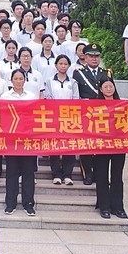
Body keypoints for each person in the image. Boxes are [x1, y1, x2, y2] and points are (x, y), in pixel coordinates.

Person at [1, 69, 38, 215]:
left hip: (28, 140)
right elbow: (2, 116)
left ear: (24, 80)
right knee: (12, 172)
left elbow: (35, 115)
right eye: (15, 79)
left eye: (21, 78)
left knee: (28, 173)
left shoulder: (31, 96)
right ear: (11, 81)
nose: (18, 81)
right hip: (12, 140)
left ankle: (28, 203)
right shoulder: (5, 96)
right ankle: (10, 203)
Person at [73, 43, 107, 185]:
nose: (94, 59)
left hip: (102, 115)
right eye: (91, 56)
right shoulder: (78, 73)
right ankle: (87, 173)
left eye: (96, 56)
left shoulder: (106, 73)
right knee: (86, 145)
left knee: (100, 145)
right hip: (85, 114)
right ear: (85, 57)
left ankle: (99, 174)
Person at [94, 77, 127, 219]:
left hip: (119, 144)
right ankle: (104, 206)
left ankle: (117, 207)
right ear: (100, 89)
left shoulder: (122, 104)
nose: (108, 89)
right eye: (105, 87)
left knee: (117, 176)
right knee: (102, 176)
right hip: (101, 145)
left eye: (111, 86)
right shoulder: (95, 106)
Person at [45, 55, 78, 186]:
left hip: (70, 117)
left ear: (69, 66)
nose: (63, 66)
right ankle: (56, 174)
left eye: (65, 64)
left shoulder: (73, 82)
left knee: (69, 146)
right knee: (54, 146)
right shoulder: (49, 81)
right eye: (61, 63)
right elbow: (48, 98)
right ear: (56, 65)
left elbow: (76, 99)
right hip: (54, 117)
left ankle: (67, 174)